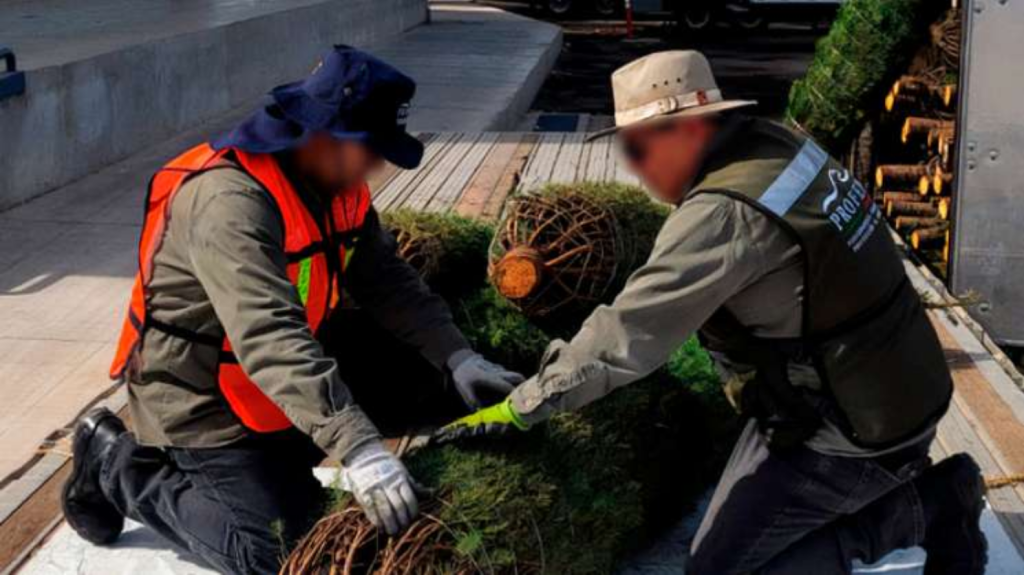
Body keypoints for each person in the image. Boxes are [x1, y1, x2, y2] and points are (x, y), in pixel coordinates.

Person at [440, 50, 987, 574]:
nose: (632, 169)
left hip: (854, 424)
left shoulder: (724, 215)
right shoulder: (775, 145)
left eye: (636, 150)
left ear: (692, 128)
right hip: (894, 380)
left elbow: (627, 334)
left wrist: (523, 406)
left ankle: (928, 507)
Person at [61, 46, 523, 575]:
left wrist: (456, 356)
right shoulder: (229, 201)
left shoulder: (336, 184)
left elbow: (387, 281)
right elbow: (269, 335)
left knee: (452, 388)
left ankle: (287, 454)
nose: (377, 165)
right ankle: (119, 465)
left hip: (286, 375)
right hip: (203, 399)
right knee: (277, 551)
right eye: (370, 149)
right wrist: (360, 448)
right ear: (323, 134)